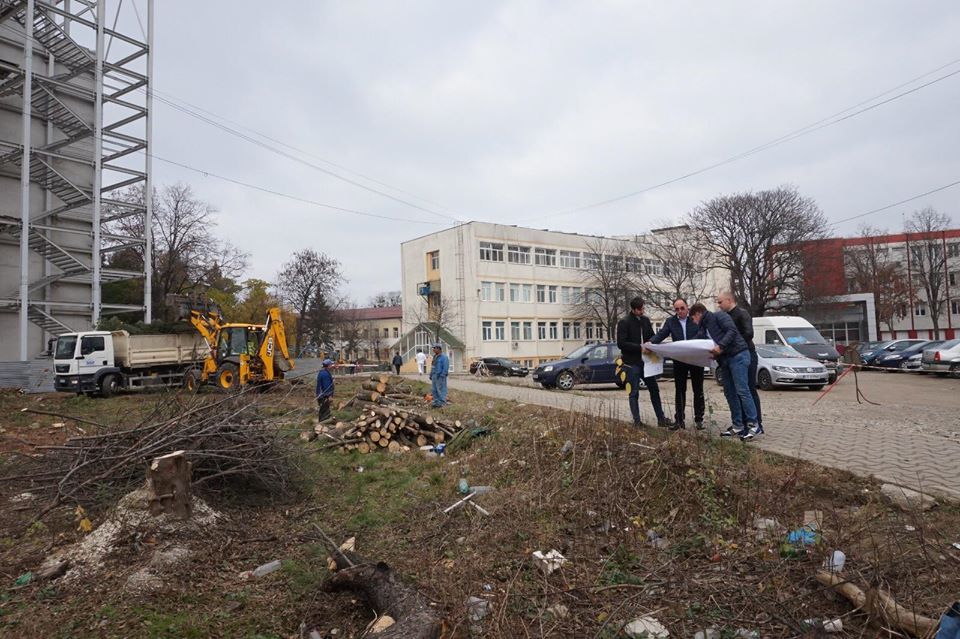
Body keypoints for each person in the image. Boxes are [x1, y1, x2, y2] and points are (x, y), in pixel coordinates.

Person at [689, 302, 760, 440]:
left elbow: (732, 331)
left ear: (698, 314)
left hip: (738, 355)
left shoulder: (720, 316)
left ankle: (753, 425)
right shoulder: (704, 327)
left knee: (742, 390)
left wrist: (720, 347)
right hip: (725, 360)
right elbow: (696, 342)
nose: (694, 322)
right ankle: (738, 425)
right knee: (729, 392)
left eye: (693, 319)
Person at [647, 297, 705, 430]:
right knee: (680, 390)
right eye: (677, 309)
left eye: (682, 308)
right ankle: (679, 420)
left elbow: (703, 333)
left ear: (687, 307)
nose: (680, 311)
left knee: (698, 389)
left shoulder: (695, 319)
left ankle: (699, 419)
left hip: (696, 359)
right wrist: (651, 342)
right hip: (679, 360)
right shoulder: (671, 321)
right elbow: (661, 334)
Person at [616, 296, 672, 427]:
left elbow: (651, 336)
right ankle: (637, 422)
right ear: (634, 309)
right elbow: (621, 343)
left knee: (654, 389)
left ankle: (661, 419)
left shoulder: (645, 320)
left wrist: (652, 343)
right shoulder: (624, 322)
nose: (643, 311)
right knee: (634, 392)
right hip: (632, 363)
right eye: (641, 309)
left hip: (647, 362)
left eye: (643, 308)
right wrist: (640, 347)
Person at [716, 291, 763, 434]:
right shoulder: (725, 317)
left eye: (720, 302)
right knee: (735, 390)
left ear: (729, 300)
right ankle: (741, 423)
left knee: (748, 389)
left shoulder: (742, 314)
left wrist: (730, 342)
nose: (718, 305)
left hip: (746, 353)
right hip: (731, 355)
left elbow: (749, 333)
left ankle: (756, 422)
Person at [429, 343, 449, 408]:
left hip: (440, 376)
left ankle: (442, 403)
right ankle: (436, 403)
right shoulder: (435, 357)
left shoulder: (444, 357)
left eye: (434, 348)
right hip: (434, 375)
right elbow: (433, 366)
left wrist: (443, 375)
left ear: (438, 348)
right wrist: (431, 374)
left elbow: (445, 367)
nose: (433, 350)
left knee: (441, 389)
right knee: (434, 390)